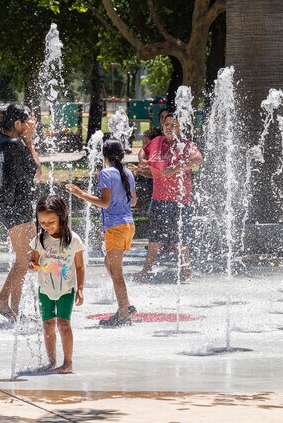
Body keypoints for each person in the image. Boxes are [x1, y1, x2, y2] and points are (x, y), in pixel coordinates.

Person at [66, 139, 137, 327]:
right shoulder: (128, 173)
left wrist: (80, 194)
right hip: (129, 225)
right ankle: (126, 305)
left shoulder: (106, 173)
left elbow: (104, 202)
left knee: (116, 271)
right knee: (109, 263)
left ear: (105, 156)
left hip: (115, 227)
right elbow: (134, 202)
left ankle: (124, 313)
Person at [134, 113, 203, 281]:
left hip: (180, 199)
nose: (170, 128)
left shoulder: (185, 145)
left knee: (181, 238)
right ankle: (147, 269)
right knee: (155, 237)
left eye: (174, 125)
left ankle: (187, 269)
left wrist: (176, 168)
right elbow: (143, 152)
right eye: (167, 124)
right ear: (163, 126)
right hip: (158, 198)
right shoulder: (156, 143)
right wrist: (143, 163)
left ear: (179, 128)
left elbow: (198, 159)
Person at [0, 104, 41, 322]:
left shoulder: (1, 142)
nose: (30, 124)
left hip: (8, 206)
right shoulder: (15, 145)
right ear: (17, 124)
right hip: (17, 207)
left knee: (23, 260)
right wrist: (29, 143)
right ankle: (3, 301)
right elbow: (37, 172)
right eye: (27, 121)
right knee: (25, 260)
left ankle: (12, 308)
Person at [28, 195, 85, 373]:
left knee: (63, 324)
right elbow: (33, 259)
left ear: (62, 216)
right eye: (43, 222)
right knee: (47, 325)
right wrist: (32, 264)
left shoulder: (73, 240)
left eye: (51, 221)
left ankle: (68, 362)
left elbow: (79, 266)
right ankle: (52, 361)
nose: (47, 226)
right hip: (45, 289)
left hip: (66, 289)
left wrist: (80, 289)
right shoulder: (40, 239)